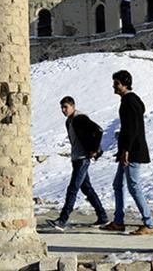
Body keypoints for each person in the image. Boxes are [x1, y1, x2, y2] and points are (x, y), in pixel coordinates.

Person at [100, 70, 153, 235]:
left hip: (132, 150)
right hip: (127, 149)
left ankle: (149, 223)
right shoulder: (130, 100)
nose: (114, 86)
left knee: (134, 186)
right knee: (118, 185)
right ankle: (118, 221)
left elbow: (131, 128)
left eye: (116, 83)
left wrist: (126, 150)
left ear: (124, 83)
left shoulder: (129, 101)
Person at [48, 96, 109, 231]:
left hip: (83, 158)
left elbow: (98, 130)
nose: (64, 110)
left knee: (73, 188)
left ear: (73, 106)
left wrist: (94, 149)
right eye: (62, 108)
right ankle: (103, 216)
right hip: (76, 158)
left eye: (66, 107)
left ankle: (62, 220)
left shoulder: (80, 118)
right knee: (86, 188)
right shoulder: (68, 122)